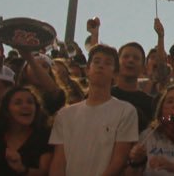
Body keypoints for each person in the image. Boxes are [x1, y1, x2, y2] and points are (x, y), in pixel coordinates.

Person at [50, 44, 139, 176]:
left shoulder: (126, 111)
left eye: (108, 63)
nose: (101, 66)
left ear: (115, 74)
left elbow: (119, 160)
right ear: (87, 70)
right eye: (96, 61)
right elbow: (58, 161)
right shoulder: (65, 114)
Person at [0, 86, 54, 176]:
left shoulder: (44, 136)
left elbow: (45, 172)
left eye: (30, 102)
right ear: (6, 110)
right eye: (18, 103)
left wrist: (22, 169)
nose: (26, 106)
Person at [114, 42, 157, 130]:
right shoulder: (106, 96)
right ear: (117, 64)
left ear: (143, 68)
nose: (131, 60)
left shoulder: (151, 103)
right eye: (126, 56)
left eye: (136, 58)